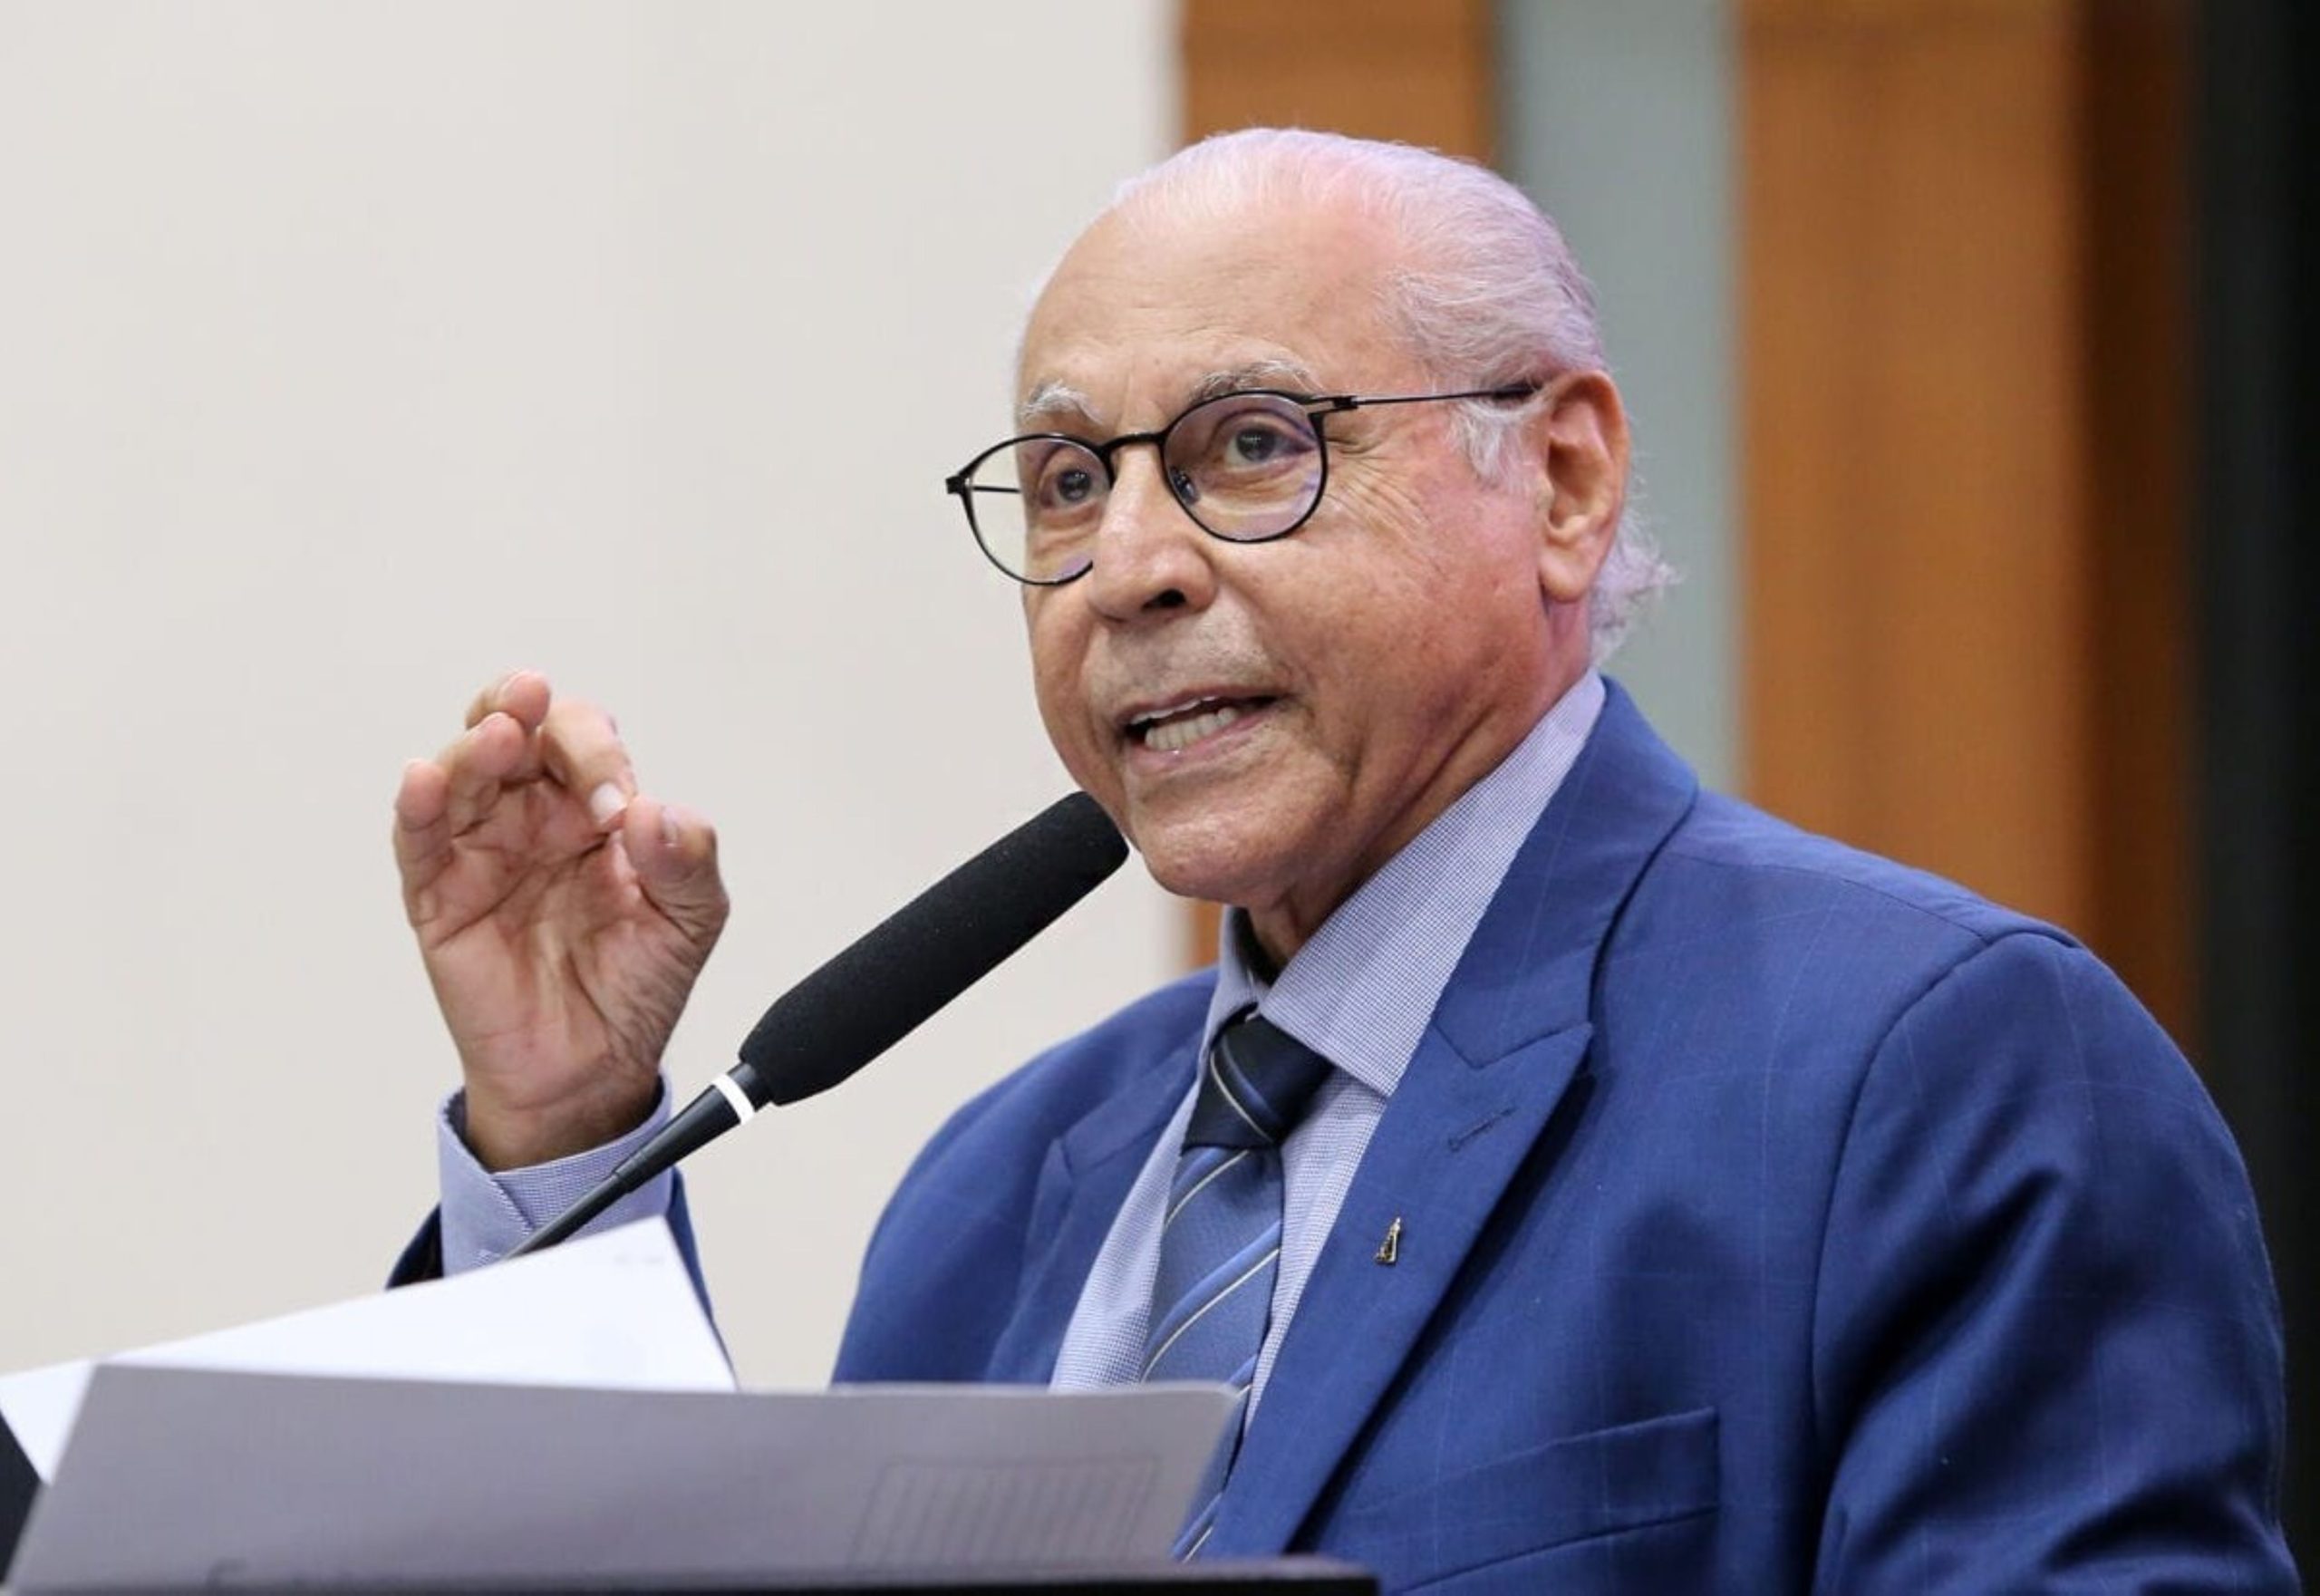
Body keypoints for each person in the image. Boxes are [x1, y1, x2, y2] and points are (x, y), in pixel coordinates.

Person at [389, 130, 2294, 1591]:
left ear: (1560, 483)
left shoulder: (1933, 1069)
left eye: (1249, 445)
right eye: (1068, 482)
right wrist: (566, 1130)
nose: (1128, 567)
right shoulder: (991, 1196)